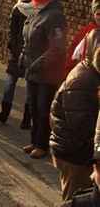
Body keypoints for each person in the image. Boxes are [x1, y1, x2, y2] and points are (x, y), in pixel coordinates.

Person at [21, 0, 67, 159]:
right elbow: (28, 39)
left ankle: (42, 144)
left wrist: (37, 64)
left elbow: (57, 48)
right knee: (33, 107)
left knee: (43, 109)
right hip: (32, 70)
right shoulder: (37, 13)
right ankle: (34, 140)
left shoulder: (55, 16)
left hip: (47, 73)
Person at [50, 32, 100, 201]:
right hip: (73, 153)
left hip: (78, 150)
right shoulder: (83, 79)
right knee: (75, 199)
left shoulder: (92, 74)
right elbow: (81, 125)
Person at [0, 0, 34, 127]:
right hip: (19, 52)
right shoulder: (19, 9)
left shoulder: (36, 9)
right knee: (11, 83)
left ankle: (25, 119)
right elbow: (13, 32)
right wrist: (14, 50)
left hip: (28, 53)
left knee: (27, 86)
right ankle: (7, 113)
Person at [65, 0, 100, 76]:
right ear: (94, 15)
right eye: (98, 14)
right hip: (87, 75)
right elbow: (72, 54)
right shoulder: (86, 31)